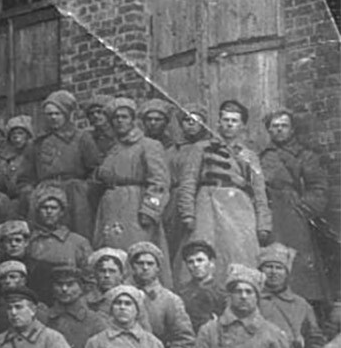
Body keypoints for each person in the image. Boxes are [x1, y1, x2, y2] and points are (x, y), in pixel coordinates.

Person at [175, 100, 272, 280]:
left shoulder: (249, 155)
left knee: (239, 253)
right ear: (218, 122)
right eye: (225, 119)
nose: (229, 124)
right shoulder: (201, 148)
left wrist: (263, 224)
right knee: (205, 251)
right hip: (207, 206)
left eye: (234, 121)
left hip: (238, 209)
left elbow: (259, 191)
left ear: (242, 126)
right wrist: (188, 213)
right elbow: (188, 181)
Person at [93, 97, 172, 285]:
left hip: (135, 208)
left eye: (124, 116)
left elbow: (159, 181)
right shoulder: (113, 149)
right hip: (111, 209)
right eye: (115, 118)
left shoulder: (149, 145)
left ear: (133, 119)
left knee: (138, 255)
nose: (120, 121)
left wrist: (150, 210)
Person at [259, 110, 331, 302]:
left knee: (299, 263)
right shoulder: (261, 156)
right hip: (270, 212)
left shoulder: (304, 156)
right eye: (275, 126)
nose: (279, 130)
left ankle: (304, 303)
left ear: (292, 130)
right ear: (268, 130)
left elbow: (318, 187)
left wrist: (304, 209)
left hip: (294, 214)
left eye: (284, 126)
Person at [21, 90, 101, 239]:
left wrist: (85, 190)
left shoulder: (81, 138)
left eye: (57, 113)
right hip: (45, 195)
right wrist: (31, 195)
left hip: (75, 196)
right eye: (49, 114)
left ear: (66, 115)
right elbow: (25, 177)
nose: (53, 118)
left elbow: (95, 170)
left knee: (78, 235)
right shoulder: (37, 143)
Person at [129, 241, 196, 348]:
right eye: (140, 263)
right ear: (132, 267)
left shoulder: (170, 300)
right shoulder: (122, 297)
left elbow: (185, 341)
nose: (145, 267)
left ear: (158, 268)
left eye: (150, 263)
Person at [45, 265, 109, 348]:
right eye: (59, 284)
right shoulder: (43, 319)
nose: (64, 289)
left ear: (81, 288)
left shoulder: (94, 321)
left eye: (70, 284)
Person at [176, 240, 227, 332]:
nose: (195, 265)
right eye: (190, 262)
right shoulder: (180, 293)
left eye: (200, 260)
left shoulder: (223, 293)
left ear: (211, 262)